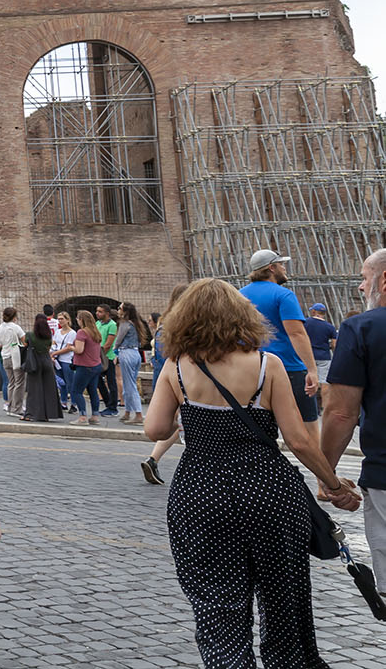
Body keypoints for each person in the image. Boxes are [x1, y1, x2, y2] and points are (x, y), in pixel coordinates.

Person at [144, 279, 359, 667]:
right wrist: (333, 484)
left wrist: (188, 414)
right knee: (283, 596)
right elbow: (299, 440)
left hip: (201, 490)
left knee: (217, 600)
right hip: (266, 488)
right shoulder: (266, 364)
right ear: (243, 317)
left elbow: (156, 429)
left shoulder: (176, 366)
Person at [320, 248, 386, 590]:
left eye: (364, 278)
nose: (361, 287)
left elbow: (341, 411)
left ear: (384, 280)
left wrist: (326, 473)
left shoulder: (362, 328)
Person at [240, 249, 321, 438]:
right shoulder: (284, 295)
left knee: (259, 430)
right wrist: (312, 370)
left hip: (251, 370)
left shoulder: (239, 296)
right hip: (289, 369)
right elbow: (297, 334)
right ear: (272, 268)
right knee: (307, 430)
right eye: (281, 264)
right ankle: (318, 459)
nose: (284, 268)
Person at [142, 283, 189, 485]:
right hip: (180, 382)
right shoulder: (181, 326)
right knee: (184, 422)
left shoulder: (165, 323)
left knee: (181, 423)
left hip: (166, 380)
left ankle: (153, 459)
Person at [21, 308, 63, 422]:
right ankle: (49, 413)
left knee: (34, 389)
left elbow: (25, 344)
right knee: (49, 389)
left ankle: (30, 414)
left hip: (34, 362)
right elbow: (48, 348)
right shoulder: (48, 335)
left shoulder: (30, 334)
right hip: (47, 361)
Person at [113, 302, 148, 425]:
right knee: (129, 383)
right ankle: (127, 412)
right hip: (135, 353)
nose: (118, 310)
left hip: (126, 352)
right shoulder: (135, 324)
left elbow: (118, 340)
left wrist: (115, 351)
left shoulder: (125, 324)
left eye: (120, 308)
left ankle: (138, 414)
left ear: (125, 311)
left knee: (130, 385)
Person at [66, 310, 104, 425]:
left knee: (76, 391)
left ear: (81, 320)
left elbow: (79, 350)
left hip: (84, 366)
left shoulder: (81, 332)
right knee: (93, 391)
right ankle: (95, 416)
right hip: (96, 365)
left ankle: (82, 417)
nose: (77, 321)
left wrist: (70, 347)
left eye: (78, 318)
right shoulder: (95, 332)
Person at [0, 307, 25, 416]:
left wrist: (6, 344)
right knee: (19, 383)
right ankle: (17, 408)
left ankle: (10, 406)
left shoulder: (0, 328)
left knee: (11, 383)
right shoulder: (15, 327)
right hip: (15, 357)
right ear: (14, 317)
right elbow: (25, 341)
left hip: (5, 357)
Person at [95, 303, 121, 416]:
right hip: (98, 356)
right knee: (98, 381)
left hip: (107, 357)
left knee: (111, 382)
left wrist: (99, 355)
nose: (97, 313)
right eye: (97, 311)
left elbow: (108, 344)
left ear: (107, 313)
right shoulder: (97, 323)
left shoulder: (112, 325)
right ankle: (108, 403)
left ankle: (113, 407)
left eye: (100, 311)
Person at [304, 302, 338, 375]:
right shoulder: (330, 327)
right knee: (323, 379)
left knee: (308, 378)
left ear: (313, 311)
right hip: (324, 357)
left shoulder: (305, 323)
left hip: (308, 355)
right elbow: (334, 345)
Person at [53, 311, 77, 412]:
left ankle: (74, 403)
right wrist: (53, 351)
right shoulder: (58, 332)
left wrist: (55, 353)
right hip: (58, 359)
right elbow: (54, 342)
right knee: (61, 382)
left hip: (67, 359)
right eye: (58, 319)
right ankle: (63, 402)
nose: (60, 321)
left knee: (70, 382)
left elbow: (68, 347)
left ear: (67, 320)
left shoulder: (72, 333)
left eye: (62, 319)